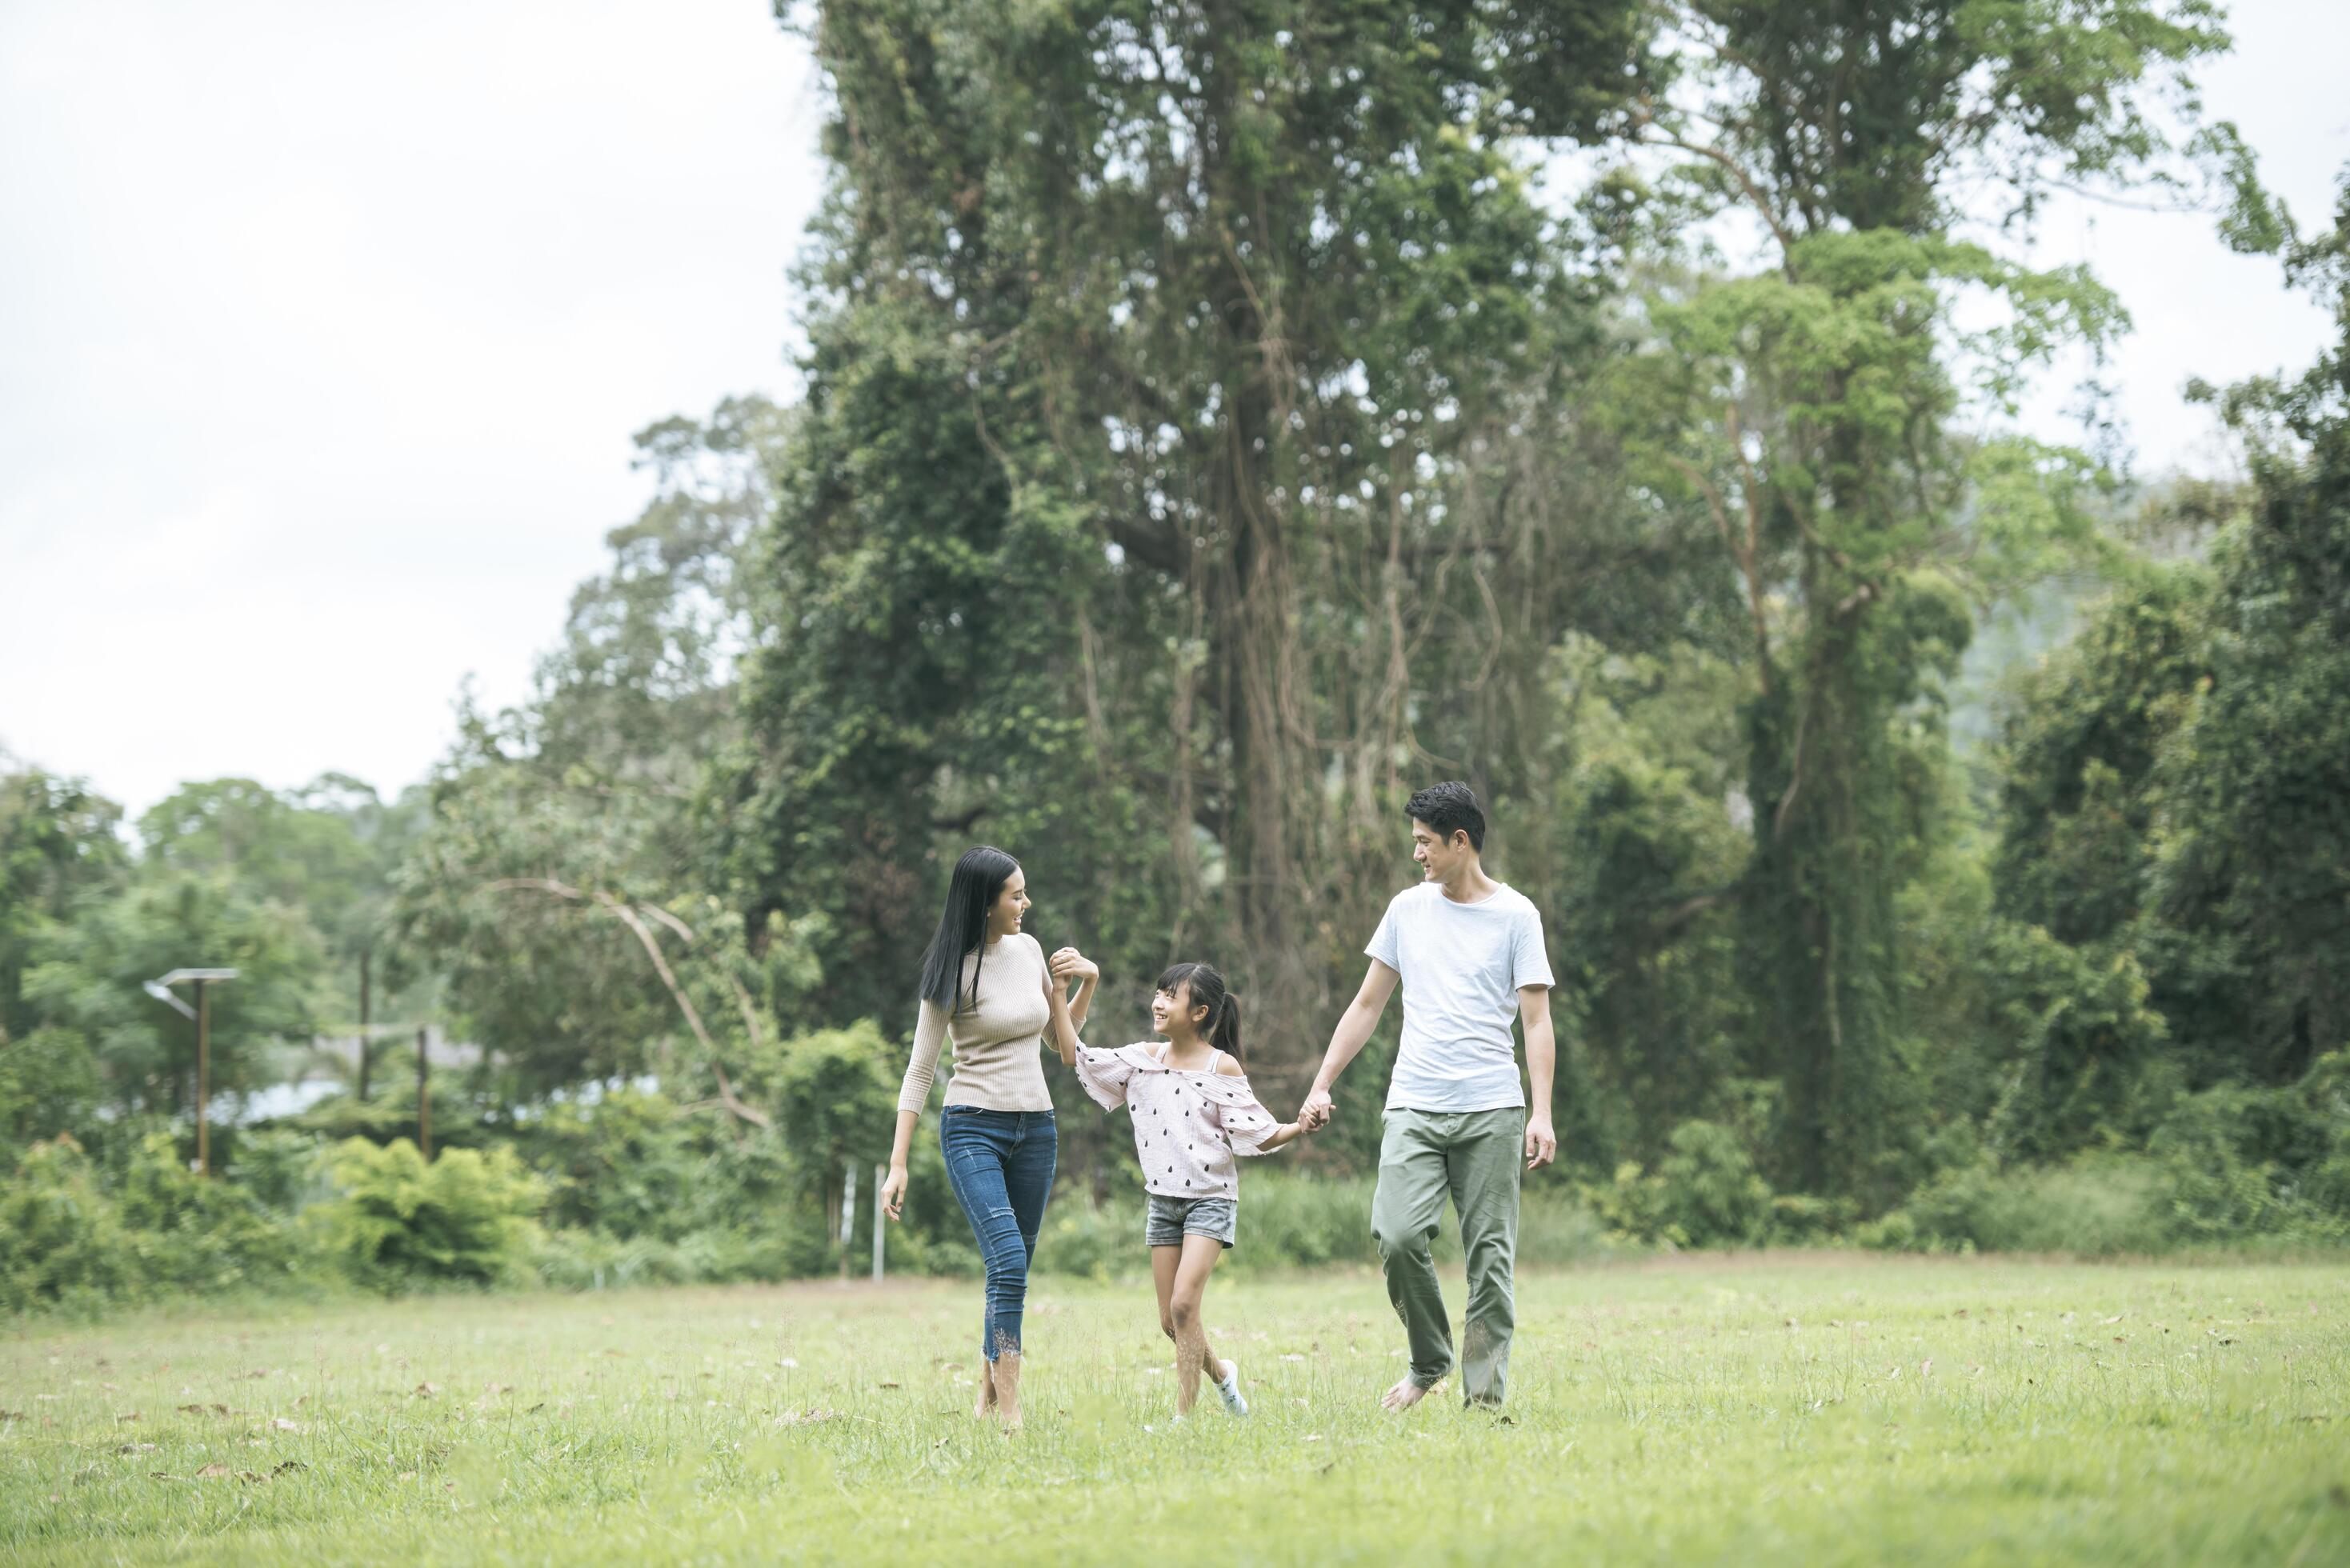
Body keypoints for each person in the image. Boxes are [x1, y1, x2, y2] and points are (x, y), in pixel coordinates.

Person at [1299, 782, 1557, 1410]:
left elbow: (1535, 1021)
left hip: (1491, 1108)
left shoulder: (1516, 915)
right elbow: (1367, 1004)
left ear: (1459, 842)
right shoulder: (1406, 910)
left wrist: (1542, 1112)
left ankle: (1485, 1400)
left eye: (1424, 843)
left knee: (1489, 1260)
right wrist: (1321, 1081)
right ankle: (1430, 1357)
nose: (1416, 854)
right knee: (1396, 1233)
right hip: (1413, 1102)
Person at [878, 846, 1095, 1431]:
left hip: (1037, 1127)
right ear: (984, 902)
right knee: (1006, 1261)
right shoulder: (949, 972)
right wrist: (897, 1164)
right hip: (972, 1126)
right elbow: (919, 1071)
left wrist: (1084, 986)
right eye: (1015, 895)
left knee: (1012, 1266)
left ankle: (986, 1396)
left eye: (1024, 893)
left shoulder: (1027, 952)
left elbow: (1062, 1047)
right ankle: (1012, 1407)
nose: (1026, 904)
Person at [1053, 962, 1313, 1419]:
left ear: (1200, 1012)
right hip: (1163, 1201)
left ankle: (1183, 1419)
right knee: (1172, 1321)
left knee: (1184, 1304)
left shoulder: (1221, 1066)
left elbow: (1257, 1130)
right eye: (1159, 992)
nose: (1159, 1001)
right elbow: (1074, 1053)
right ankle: (1224, 1376)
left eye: (1172, 995)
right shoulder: (1141, 1060)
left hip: (1210, 1200)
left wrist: (1299, 1127)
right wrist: (1070, 988)